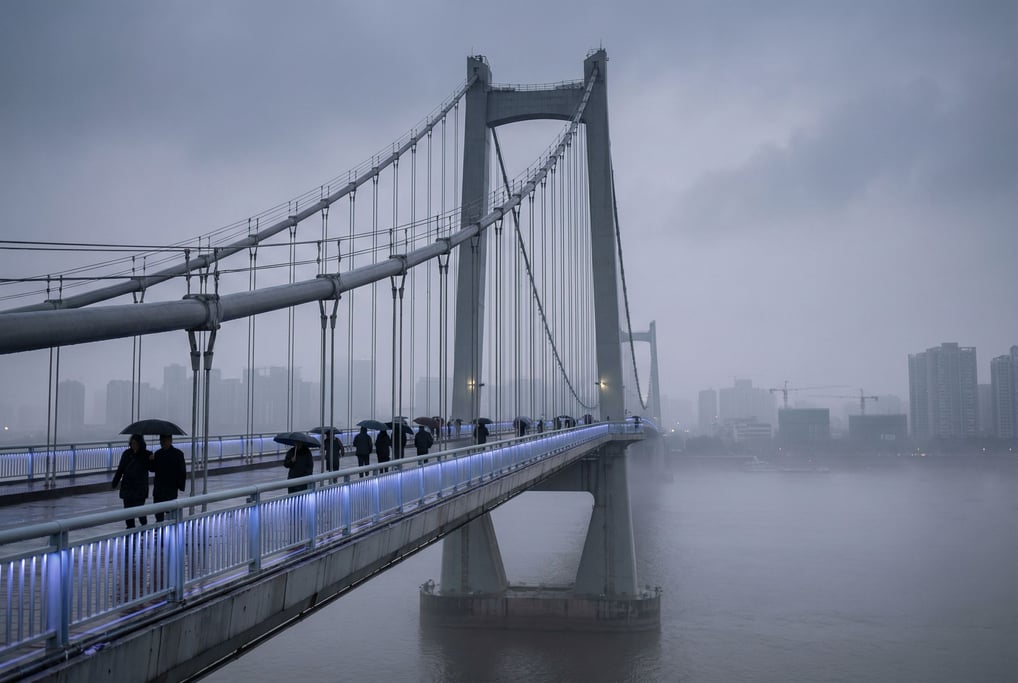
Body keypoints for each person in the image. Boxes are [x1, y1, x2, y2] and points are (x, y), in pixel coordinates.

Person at [111, 434, 152, 528]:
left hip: (140, 488)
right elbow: (121, 469)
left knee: (140, 510)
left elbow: (151, 468)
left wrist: (151, 460)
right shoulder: (126, 454)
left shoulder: (146, 454)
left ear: (140, 444)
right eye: (132, 443)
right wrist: (115, 482)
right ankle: (130, 528)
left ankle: (144, 527)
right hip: (127, 487)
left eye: (136, 443)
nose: (134, 445)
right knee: (128, 511)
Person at [150, 433, 187, 522]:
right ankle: (161, 529)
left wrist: (180, 485)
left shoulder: (178, 454)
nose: (162, 443)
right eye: (161, 441)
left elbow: (182, 471)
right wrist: (151, 461)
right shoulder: (157, 454)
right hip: (159, 488)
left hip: (170, 488)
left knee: (169, 512)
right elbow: (152, 469)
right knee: (159, 513)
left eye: (164, 441)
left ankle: (165, 530)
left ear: (170, 441)